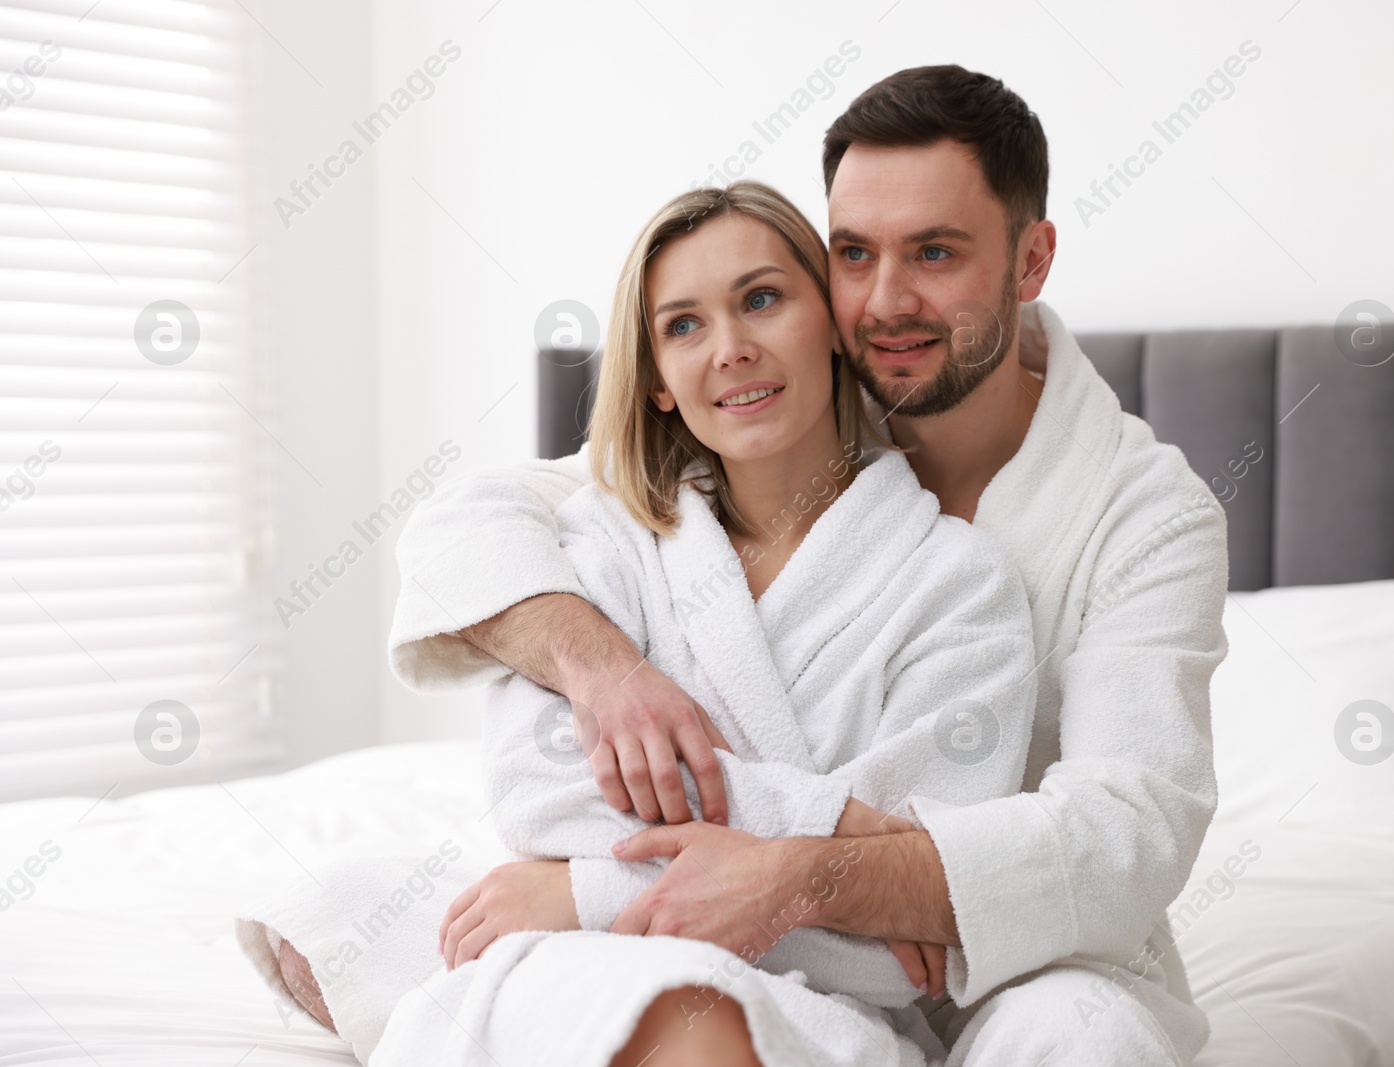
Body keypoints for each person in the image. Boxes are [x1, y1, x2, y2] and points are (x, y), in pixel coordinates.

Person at [381, 65, 1228, 1066]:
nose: (885, 300)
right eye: (854, 254)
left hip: (1030, 955)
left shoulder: (1142, 511)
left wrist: (803, 874)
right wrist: (605, 672)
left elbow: (1125, 836)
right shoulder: (782, 406)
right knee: (368, 913)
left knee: (1082, 1040)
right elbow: (465, 526)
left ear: (1030, 259)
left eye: (937, 252)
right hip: (748, 937)